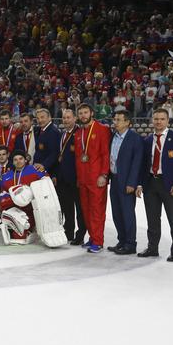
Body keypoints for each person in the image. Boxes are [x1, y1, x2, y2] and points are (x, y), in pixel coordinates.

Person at [136, 108, 173, 262]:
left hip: (170, 185)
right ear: (152, 120)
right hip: (150, 183)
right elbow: (143, 165)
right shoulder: (147, 141)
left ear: (167, 121)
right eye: (156, 119)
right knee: (152, 219)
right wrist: (140, 184)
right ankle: (152, 248)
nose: (158, 122)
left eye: (162, 119)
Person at [74, 103, 111, 253]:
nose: (83, 115)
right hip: (83, 178)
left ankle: (98, 241)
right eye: (81, 113)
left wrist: (103, 174)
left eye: (85, 112)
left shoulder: (102, 129)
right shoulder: (78, 133)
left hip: (96, 178)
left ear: (91, 113)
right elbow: (78, 157)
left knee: (97, 210)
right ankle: (92, 236)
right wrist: (78, 176)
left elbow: (105, 154)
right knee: (86, 210)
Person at [107, 110, 143, 255]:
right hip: (114, 179)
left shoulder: (135, 138)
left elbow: (137, 163)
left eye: (119, 120)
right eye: (114, 119)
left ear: (127, 122)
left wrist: (132, 183)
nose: (115, 122)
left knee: (127, 213)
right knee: (116, 213)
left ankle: (130, 244)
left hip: (127, 182)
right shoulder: (113, 136)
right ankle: (122, 241)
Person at [0, 150, 47, 244]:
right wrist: (11, 203)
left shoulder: (35, 170)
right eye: (15, 160)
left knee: (24, 234)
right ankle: (19, 227)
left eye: (21, 159)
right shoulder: (6, 176)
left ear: (25, 160)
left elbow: (46, 184)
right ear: (12, 162)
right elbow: (3, 195)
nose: (18, 161)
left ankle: (32, 228)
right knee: (19, 237)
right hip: (16, 209)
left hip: (32, 208)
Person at [56, 109, 87, 244]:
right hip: (63, 178)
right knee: (66, 207)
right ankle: (68, 232)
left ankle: (80, 235)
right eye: (64, 118)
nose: (66, 120)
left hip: (76, 179)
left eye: (69, 118)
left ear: (75, 118)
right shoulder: (63, 134)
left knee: (80, 209)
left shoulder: (80, 133)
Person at [32, 108, 60, 175]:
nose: (40, 120)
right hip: (39, 169)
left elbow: (54, 153)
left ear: (49, 118)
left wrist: (44, 165)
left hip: (48, 170)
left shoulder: (53, 132)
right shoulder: (39, 130)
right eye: (38, 118)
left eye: (42, 117)